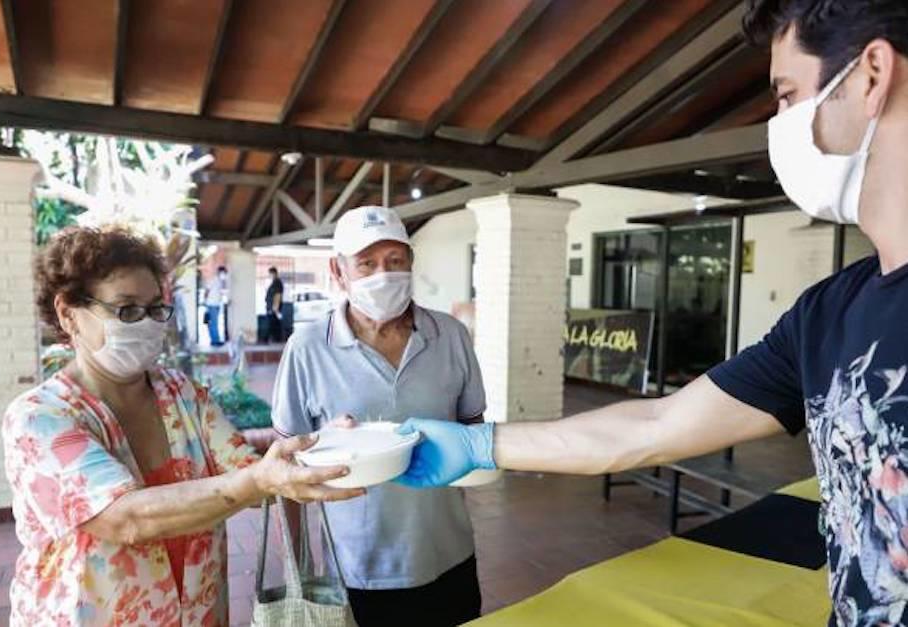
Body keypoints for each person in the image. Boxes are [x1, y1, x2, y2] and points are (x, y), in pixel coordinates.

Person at [395, 2, 908, 625]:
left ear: (871, 75)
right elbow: (655, 425)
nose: (779, 124)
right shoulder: (829, 314)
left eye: (787, 94)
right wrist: (482, 444)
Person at [3, 226, 363, 626]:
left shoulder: (182, 394)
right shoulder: (40, 418)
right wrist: (261, 480)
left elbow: (251, 471)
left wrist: (319, 448)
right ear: (68, 314)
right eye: (127, 310)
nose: (146, 324)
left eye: (156, 309)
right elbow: (127, 519)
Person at [272, 206, 487, 627]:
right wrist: (296, 564)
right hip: (355, 567)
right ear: (338, 272)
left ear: (411, 262)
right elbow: (284, 463)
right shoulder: (307, 347)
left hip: (447, 551)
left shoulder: (451, 336)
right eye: (366, 264)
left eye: (395, 261)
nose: (382, 275)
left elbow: (474, 430)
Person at [204, 266, 228, 346]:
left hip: (216, 304)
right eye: (223, 273)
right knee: (213, 323)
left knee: (212, 323)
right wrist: (206, 302)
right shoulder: (213, 280)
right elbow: (207, 291)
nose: (224, 275)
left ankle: (214, 340)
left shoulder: (220, 281)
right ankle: (216, 341)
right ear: (219, 272)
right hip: (212, 304)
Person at [265, 266, 285, 343]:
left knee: (272, 324)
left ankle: (273, 339)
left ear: (274, 273)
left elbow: (277, 295)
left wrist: (275, 308)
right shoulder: (274, 282)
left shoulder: (277, 283)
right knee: (274, 324)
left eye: (270, 274)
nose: (269, 276)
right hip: (271, 307)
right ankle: (275, 339)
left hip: (274, 308)